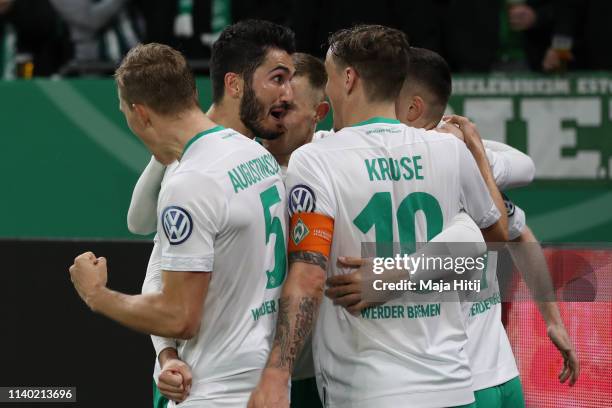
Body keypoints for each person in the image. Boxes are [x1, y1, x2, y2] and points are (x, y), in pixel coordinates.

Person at [248, 25, 509, 408]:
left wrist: (277, 371)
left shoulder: (317, 159)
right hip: (451, 386)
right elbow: (494, 239)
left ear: (349, 79)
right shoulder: (447, 152)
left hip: (369, 390)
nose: (330, 89)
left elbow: (308, 273)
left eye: (331, 76)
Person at [326, 46, 579, 407]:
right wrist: (552, 320)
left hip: (453, 383)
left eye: (385, 98)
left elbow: (493, 239)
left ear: (412, 108)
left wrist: (386, 277)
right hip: (499, 376)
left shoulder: (440, 164)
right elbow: (519, 219)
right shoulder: (470, 163)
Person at [68, 42, 290, 407]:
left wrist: (96, 295)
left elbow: (179, 317)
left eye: (124, 112)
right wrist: (168, 357)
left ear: (140, 114)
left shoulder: (190, 182)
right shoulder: (254, 153)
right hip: (264, 383)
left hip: (212, 392)